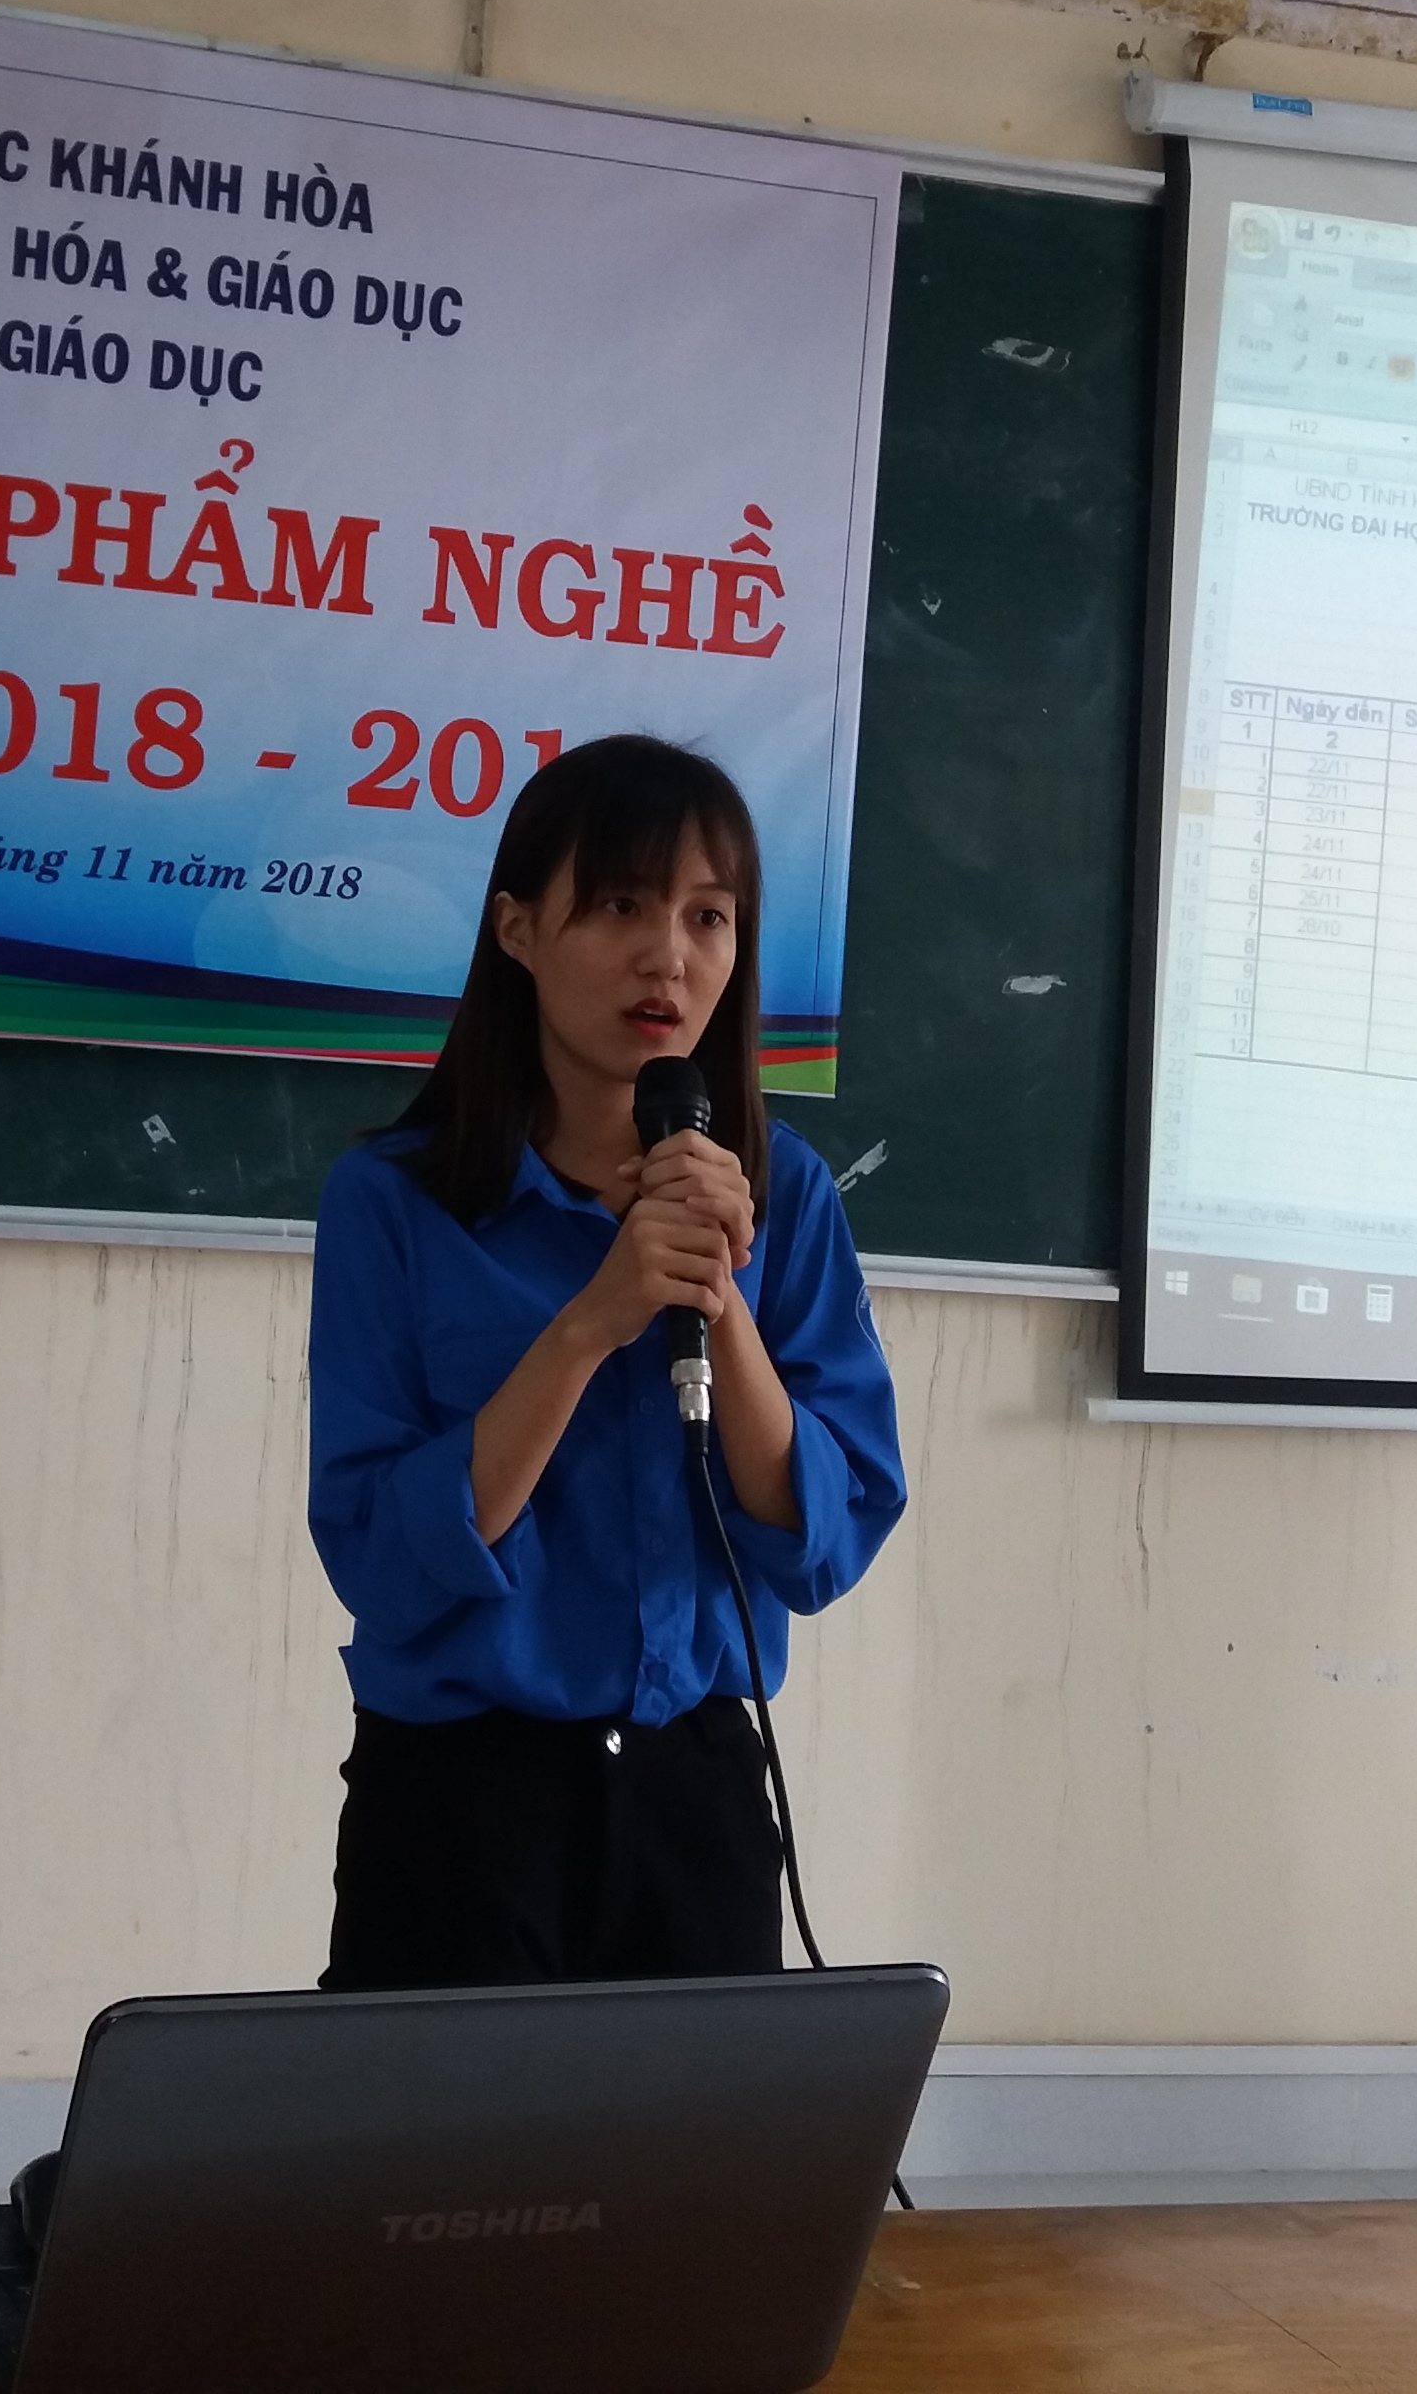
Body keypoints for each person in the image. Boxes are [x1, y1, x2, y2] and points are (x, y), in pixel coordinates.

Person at [305, 733, 905, 1989]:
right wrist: (591, 1321)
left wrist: (718, 1299)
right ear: (518, 929)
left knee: (709, 2129)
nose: (668, 957)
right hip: (461, 1799)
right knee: (441, 2127)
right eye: (623, 905)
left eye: (708, 917)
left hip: (699, 1787)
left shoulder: (785, 1194)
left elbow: (822, 1542)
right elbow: (384, 1561)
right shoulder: (393, 1202)